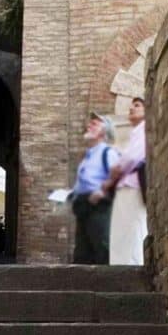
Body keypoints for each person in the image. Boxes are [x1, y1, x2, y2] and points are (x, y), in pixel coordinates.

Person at [70, 112, 118, 265]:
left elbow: (119, 172)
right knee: (81, 253)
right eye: (90, 123)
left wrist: (102, 191)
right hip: (83, 206)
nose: (89, 125)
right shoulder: (88, 156)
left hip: (98, 206)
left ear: (104, 132)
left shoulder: (107, 152)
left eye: (95, 124)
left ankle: (105, 287)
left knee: (101, 247)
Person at [107, 96, 147, 265]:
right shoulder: (136, 132)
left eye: (137, 105)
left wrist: (117, 169)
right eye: (131, 106)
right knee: (123, 231)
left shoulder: (144, 129)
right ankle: (123, 264)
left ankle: (134, 264)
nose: (132, 108)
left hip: (132, 187)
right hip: (126, 188)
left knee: (133, 229)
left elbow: (132, 158)